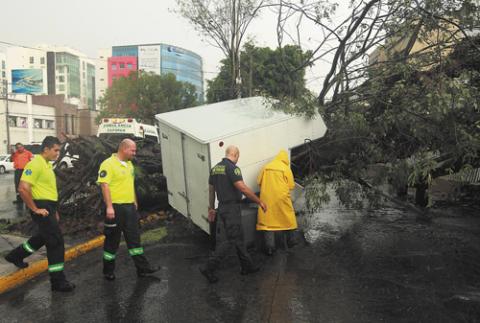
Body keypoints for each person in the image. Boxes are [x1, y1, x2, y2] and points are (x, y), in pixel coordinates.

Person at [4, 136, 75, 292]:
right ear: (46, 149)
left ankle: (15, 256)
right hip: (41, 206)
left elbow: (46, 190)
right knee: (56, 242)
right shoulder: (35, 164)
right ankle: (58, 282)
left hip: (48, 207)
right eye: (56, 150)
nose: (58, 153)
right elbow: (23, 188)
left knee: (42, 237)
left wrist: (53, 211)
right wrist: (35, 209)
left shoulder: (46, 165)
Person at [199, 145, 267, 284]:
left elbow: (211, 191)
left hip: (222, 208)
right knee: (230, 240)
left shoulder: (215, 169)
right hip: (231, 209)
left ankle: (247, 266)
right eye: (238, 157)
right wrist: (259, 201)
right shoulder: (232, 168)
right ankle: (208, 267)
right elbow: (242, 188)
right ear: (235, 155)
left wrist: (211, 208)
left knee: (238, 238)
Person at [97, 138, 158, 281]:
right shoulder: (108, 164)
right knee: (112, 241)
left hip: (129, 208)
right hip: (116, 209)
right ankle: (108, 271)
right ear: (124, 149)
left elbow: (130, 185)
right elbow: (104, 186)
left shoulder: (129, 165)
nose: (134, 153)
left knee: (134, 239)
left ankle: (143, 269)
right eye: (133, 150)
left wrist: (134, 201)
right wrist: (110, 207)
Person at [256, 150, 298, 256]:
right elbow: (291, 186)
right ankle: (291, 242)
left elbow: (258, 182)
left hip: (267, 198)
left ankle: (270, 248)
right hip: (282, 198)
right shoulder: (285, 168)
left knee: (268, 223)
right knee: (289, 218)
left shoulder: (266, 167)